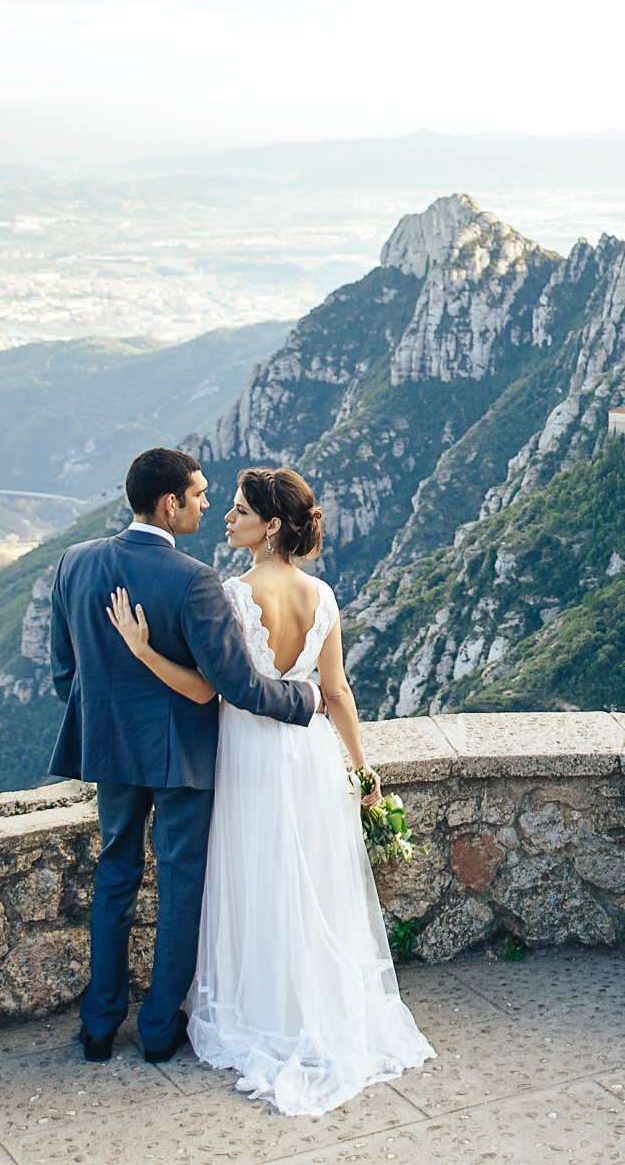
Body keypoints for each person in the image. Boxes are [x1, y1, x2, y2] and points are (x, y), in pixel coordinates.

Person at [104, 464, 434, 1116]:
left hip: (248, 754)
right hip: (311, 755)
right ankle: (311, 1011)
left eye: (240, 511)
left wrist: (142, 652)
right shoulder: (324, 596)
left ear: (272, 525)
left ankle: (259, 1013)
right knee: (309, 882)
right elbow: (336, 692)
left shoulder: (230, 594)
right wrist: (361, 769)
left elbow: (205, 690)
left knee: (253, 880)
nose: (226, 518)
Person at [47, 448, 326, 1066]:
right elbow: (238, 686)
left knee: (115, 876)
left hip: (111, 752)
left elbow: (64, 672)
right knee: (179, 885)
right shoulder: (194, 580)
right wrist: (307, 700)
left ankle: (99, 1025)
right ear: (169, 503)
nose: (207, 504)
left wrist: (110, 721)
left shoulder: (75, 562)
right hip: (182, 758)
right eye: (199, 495)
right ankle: (156, 1029)